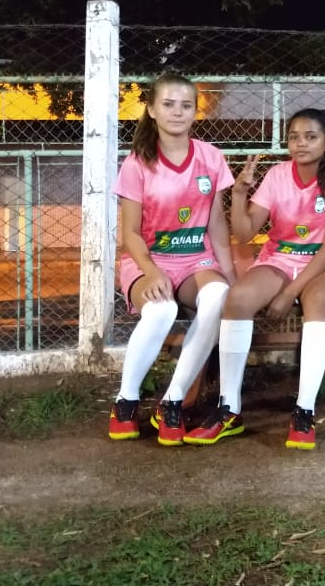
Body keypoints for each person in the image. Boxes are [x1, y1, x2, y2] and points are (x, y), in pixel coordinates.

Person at [184, 108, 325, 450]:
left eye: (310, 137)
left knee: (318, 299)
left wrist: (288, 293)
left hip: (324, 262)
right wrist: (239, 194)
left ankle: (304, 411)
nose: (300, 143)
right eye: (294, 137)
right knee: (237, 298)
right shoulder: (278, 174)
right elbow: (244, 234)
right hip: (280, 257)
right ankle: (229, 409)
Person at [108, 73, 236, 446]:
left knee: (219, 296)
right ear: (151, 109)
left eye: (186, 105)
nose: (177, 112)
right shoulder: (137, 162)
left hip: (196, 260)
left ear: (195, 111)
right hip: (149, 260)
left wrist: (230, 275)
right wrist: (150, 272)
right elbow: (131, 233)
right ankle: (126, 401)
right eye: (168, 104)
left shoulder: (211, 156)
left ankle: (173, 401)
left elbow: (216, 223)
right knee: (161, 311)